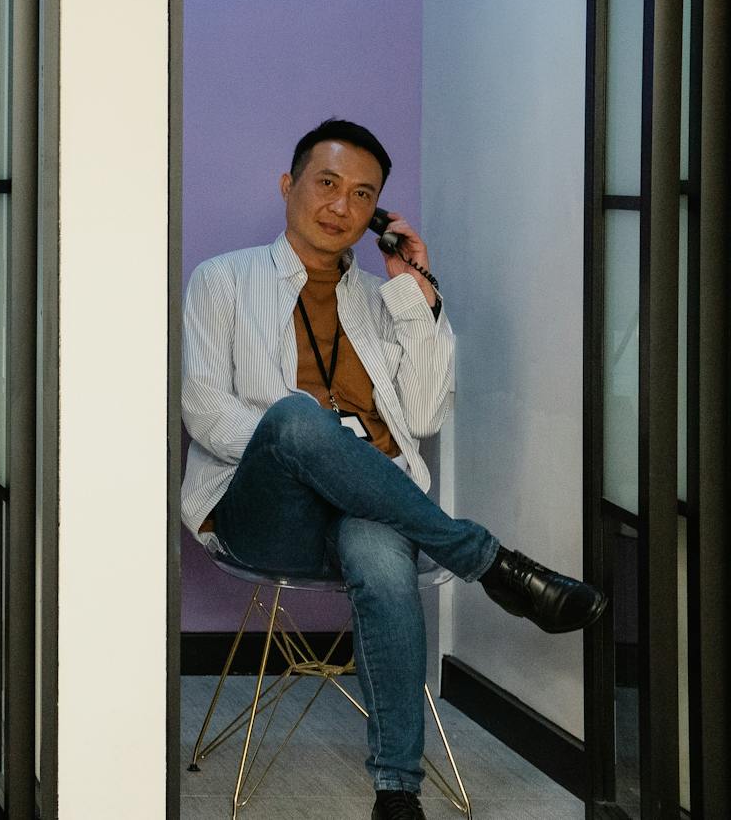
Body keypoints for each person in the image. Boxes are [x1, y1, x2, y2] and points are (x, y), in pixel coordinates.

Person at [181, 119, 607, 820]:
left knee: (381, 560)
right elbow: (202, 408)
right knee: (295, 420)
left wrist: (416, 291)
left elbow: (423, 415)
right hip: (262, 509)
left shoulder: (382, 303)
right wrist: (311, 445)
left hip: (368, 507)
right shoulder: (222, 279)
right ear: (288, 186)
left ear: (376, 211)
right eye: (326, 183)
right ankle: (490, 562)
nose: (340, 206)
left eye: (362, 194)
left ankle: (397, 790)